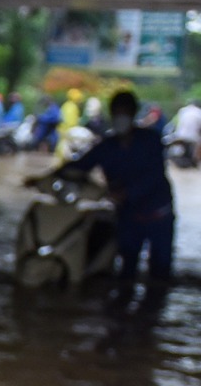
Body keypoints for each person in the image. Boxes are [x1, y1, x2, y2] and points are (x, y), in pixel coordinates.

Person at [57, 89, 174, 286]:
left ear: (133, 114)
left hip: (159, 217)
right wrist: (48, 177)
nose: (121, 118)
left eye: (125, 113)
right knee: (126, 269)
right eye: (117, 113)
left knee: (160, 273)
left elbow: (154, 176)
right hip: (128, 217)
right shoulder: (107, 147)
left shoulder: (151, 141)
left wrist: (126, 193)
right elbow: (80, 165)